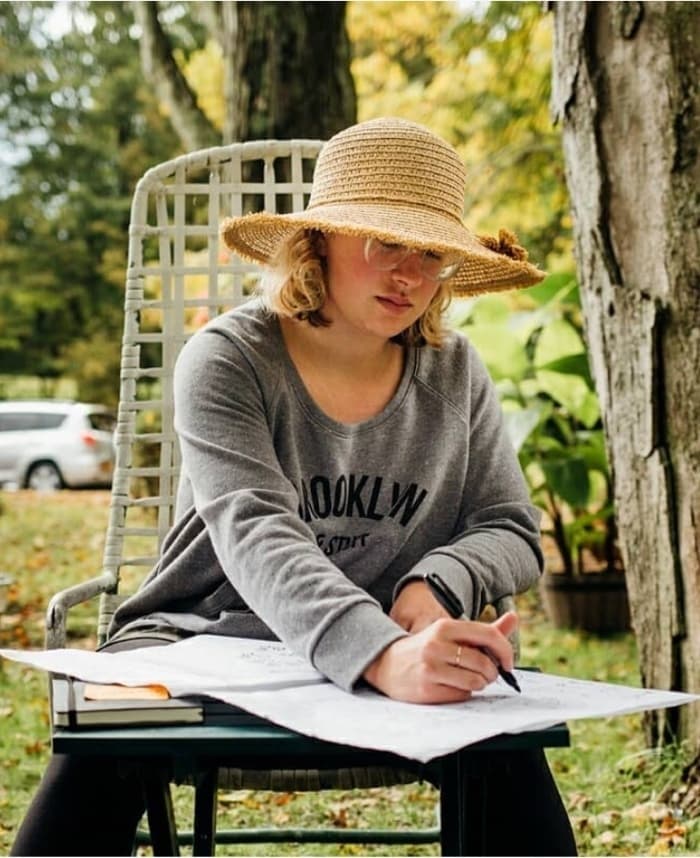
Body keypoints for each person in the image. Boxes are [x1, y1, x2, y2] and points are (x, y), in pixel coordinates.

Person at [12, 117, 576, 856]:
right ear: (317, 243)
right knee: (105, 738)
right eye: (385, 242)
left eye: (432, 253)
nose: (409, 273)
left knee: (510, 753)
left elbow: (509, 527)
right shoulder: (227, 359)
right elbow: (254, 530)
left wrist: (435, 586)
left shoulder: (455, 370)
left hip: (391, 639)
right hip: (199, 638)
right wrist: (378, 653)